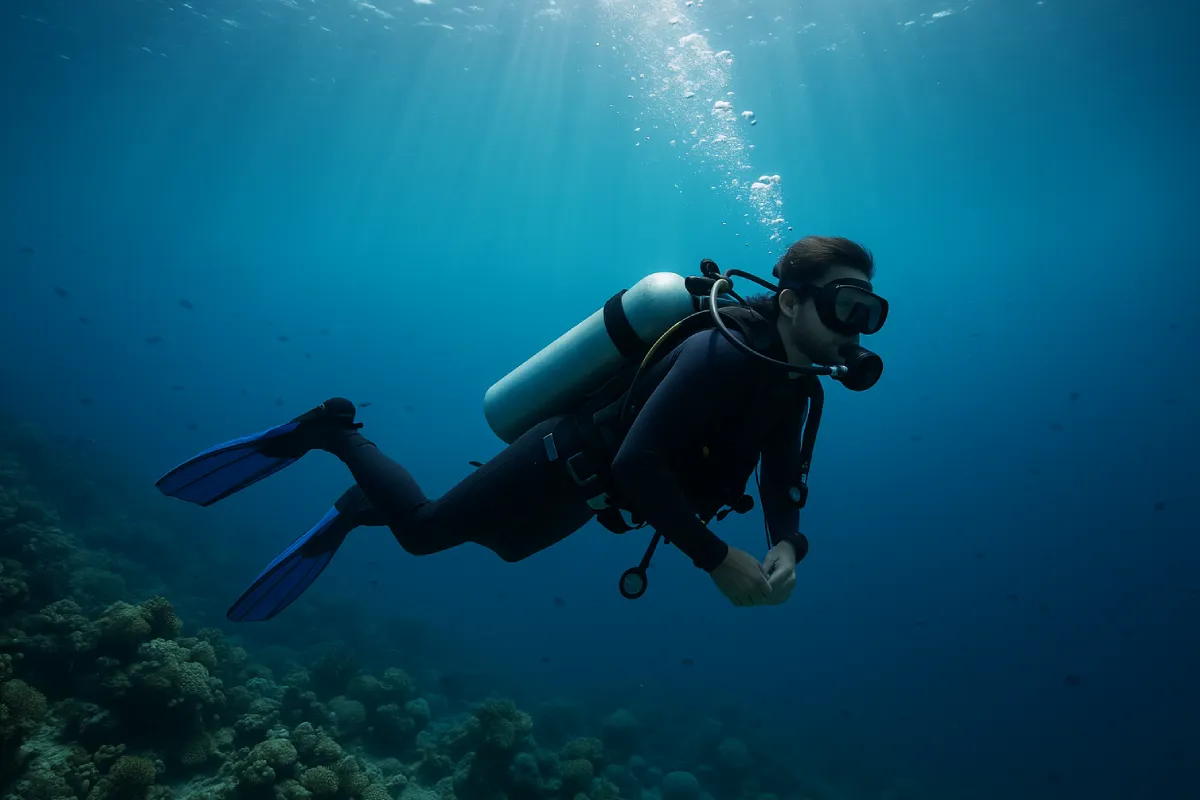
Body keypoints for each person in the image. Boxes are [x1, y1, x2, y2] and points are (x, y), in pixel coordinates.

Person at [156, 236, 888, 621]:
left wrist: (785, 545)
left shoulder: (793, 384)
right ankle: (335, 431)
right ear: (790, 303)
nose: (858, 330)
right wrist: (714, 558)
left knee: (504, 546)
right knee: (425, 530)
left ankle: (359, 502)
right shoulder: (719, 351)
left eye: (871, 312)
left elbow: (780, 480)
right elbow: (639, 463)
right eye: (847, 305)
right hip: (565, 457)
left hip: (598, 493)